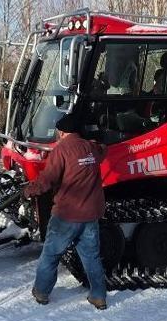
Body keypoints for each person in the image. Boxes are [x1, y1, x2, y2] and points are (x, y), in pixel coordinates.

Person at [23, 113, 108, 310]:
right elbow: (104, 151)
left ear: (62, 132)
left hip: (67, 216)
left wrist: (28, 191)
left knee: (51, 255)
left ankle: (42, 292)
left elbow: (46, 180)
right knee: (92, 257)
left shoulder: (61, 150)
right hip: (90, 215)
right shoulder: (91, 149)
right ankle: (98, 296)